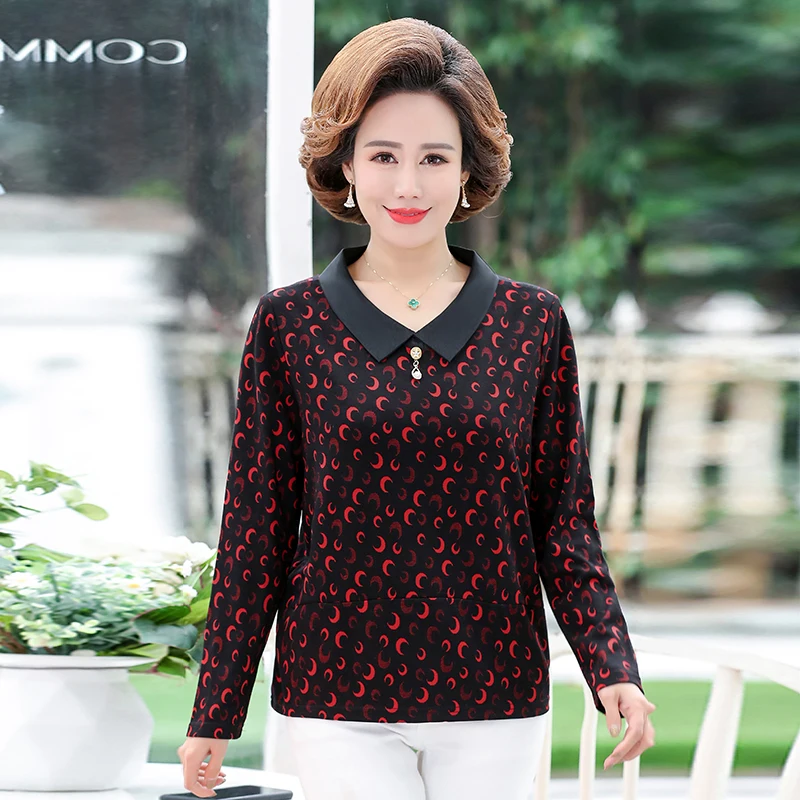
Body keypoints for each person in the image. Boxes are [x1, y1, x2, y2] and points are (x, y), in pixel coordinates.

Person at [178, 16, 656, 800]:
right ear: (346, 164)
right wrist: (216, 709)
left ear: (469, 168)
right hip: (333, 693)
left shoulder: (532, 323)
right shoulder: (289, 323)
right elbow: (256, 529)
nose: (408, 185)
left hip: (496, 692)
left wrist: (613, 668)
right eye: (383, 156)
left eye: (434, 157)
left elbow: (563, 523)